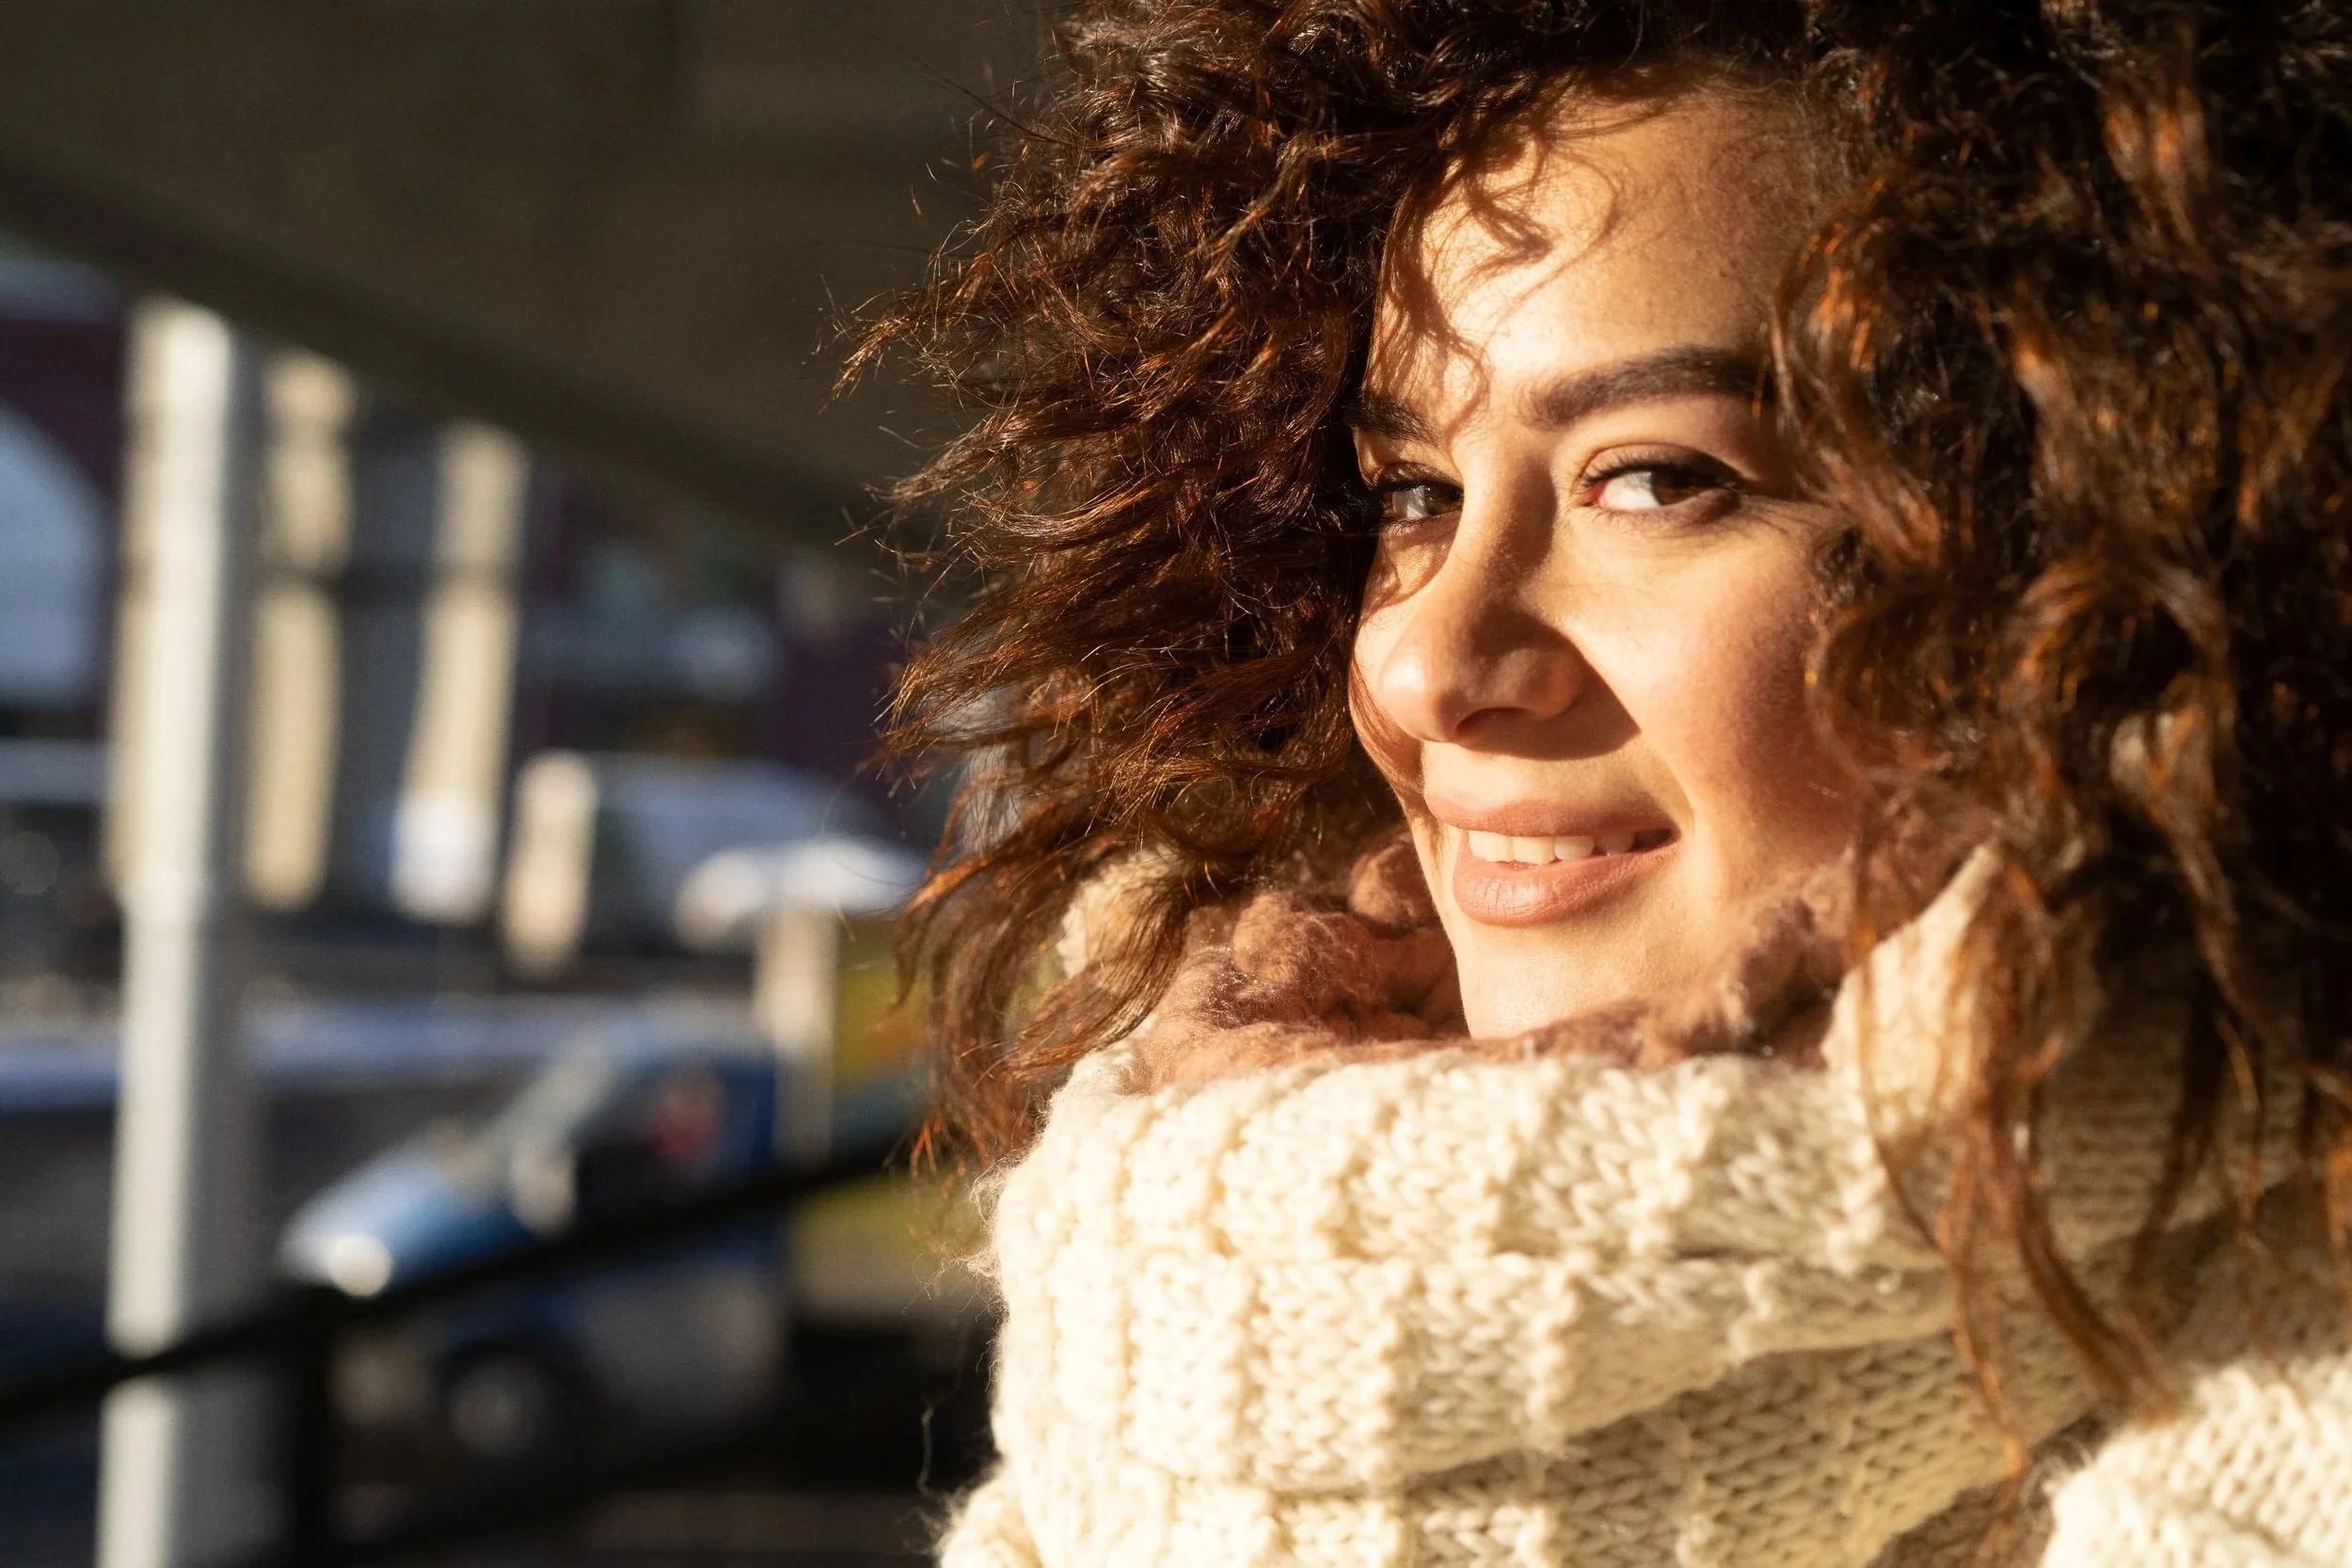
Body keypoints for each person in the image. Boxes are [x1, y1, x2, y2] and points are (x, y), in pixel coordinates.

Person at [858, 3, 2352, 1563]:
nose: (1429, 661)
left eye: (1654, 476)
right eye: (1416, 493)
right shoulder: (1137, 1363)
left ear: (2077, 553)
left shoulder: (2294, 1442)